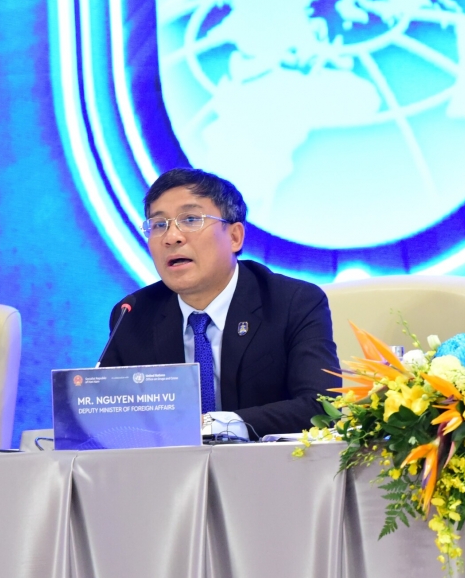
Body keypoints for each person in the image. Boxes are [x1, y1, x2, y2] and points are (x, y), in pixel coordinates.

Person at [99, 168, 341, 438]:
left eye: (191, 219)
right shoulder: (133, 314)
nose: (171, 237)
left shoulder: (292, 302)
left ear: (235, 237)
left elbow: (322, 407)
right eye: (158, 225)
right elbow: (107, 417)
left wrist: (216, 425)